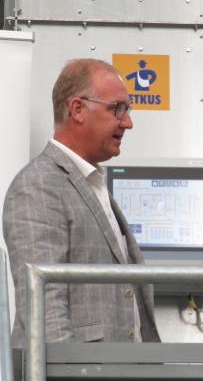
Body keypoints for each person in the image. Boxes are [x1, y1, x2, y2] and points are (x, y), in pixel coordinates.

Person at [3, 58, 160, 346]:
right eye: (118, 109)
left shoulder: (92, 183)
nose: (128, 122)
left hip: (113, 379)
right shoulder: (39, 185)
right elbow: (44, 312)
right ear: (77, 109)